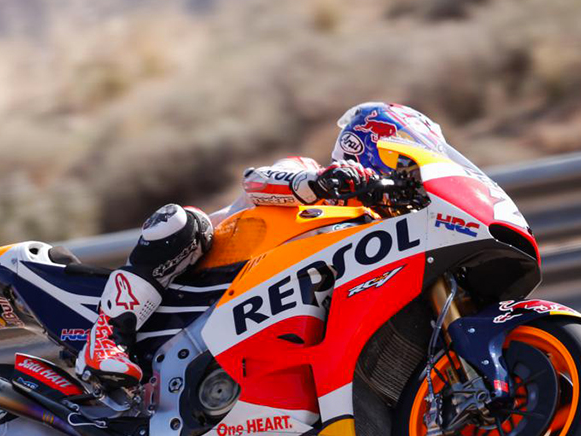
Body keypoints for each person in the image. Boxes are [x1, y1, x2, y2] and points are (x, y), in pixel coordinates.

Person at [75, 102, 444, 386]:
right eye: (408, 166)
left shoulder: (384, 229)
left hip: (270, 339)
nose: (411, 178)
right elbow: (256, 180)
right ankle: (107, 336)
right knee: (180, 222)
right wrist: (319, 183)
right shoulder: (312, 172)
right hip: (207, 280)